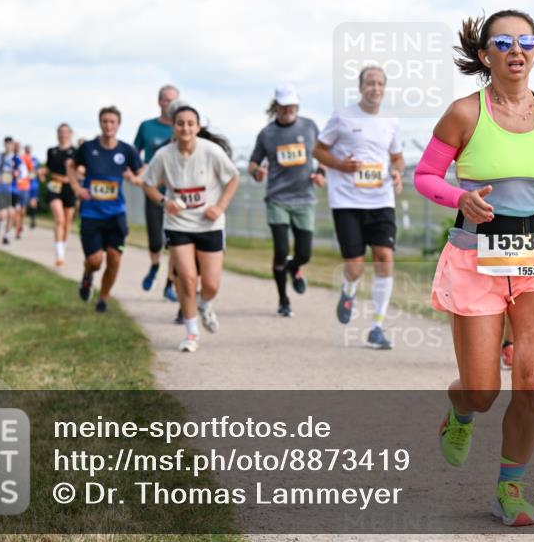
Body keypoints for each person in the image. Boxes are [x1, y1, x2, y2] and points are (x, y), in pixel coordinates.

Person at [413, 9, 534, 526]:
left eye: (527, 42)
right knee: (483, 389)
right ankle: (461, 409)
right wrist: (460, 197)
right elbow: (426, 176)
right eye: (504, 42)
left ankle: (510, 488)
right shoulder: (463, 114)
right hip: (476, 257)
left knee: (532, 379)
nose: (517, 50)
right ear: (484, 54)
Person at [314, 65, 404, 350]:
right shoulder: (342, 117)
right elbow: (318, 150)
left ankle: (377, 327)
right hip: (347, 201)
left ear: (384, 88)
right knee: (355, 267)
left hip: (381, 199)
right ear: (360, 87)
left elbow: (397, 158)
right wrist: (341, 165)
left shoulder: (391, 121)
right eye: (370, 83)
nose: (375, 88)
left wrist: (397, 172)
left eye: (379, 83)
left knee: (384, 258)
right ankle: (349, 288)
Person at [142, 99, 239, 351]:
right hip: (178, 224)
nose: (185, 128)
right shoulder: (164, 155)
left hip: (209, 224)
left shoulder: (211, 151)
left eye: (190, 124)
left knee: (211, 285)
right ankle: (192, 333)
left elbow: (233, 179)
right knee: (186, 278)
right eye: (180, 123)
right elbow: (148, 184)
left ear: (197, 127)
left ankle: (204, 304)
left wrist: (219, 207)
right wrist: (165, 202)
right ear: (173, 127)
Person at [248, 84, 325, 317]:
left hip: (304, 199)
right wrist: (257, 172)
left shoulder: (309, 126)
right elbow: (253, 163)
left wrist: (320, 172)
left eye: (292, 106)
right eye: (283, 106)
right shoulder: (267, 134)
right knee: (280, 250)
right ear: (276, 107)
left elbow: (322, 154)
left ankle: (294, 268)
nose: (288, 110)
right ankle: (283, 300)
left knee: (305, 254)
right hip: (278, 199)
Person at [67, 106, 144, 313]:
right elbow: (71, 166)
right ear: (100, 123)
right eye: (105, 121)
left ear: (118, 125)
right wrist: (77, 189)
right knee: (95, 261)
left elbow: (142, 171)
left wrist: (134, 178)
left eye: (112, 122)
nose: (108, 125)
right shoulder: (88, 148)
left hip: (116, 214)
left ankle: (103, 298)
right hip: (91, 213)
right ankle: (87, 275)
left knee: (114, 258)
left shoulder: (126, 150)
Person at [135, 84, 181, 302]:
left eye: (173, 99)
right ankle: (154, 266)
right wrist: (138, 172)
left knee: (175, 242)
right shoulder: (147, 127)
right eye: (165, 99)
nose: (169, 103)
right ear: (159, 101)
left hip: (177, 193)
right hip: (153, 191)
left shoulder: (182, 127)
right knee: (156, 241)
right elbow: (135, 155)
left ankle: (169, 284)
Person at [42, 124, 78, 267]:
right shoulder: (52, 151)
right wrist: (42, 172)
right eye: (60, 132)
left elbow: (81, 168)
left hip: (70, 186)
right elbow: (48, 167)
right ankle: (59, 254)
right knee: (59, 219)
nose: (63, 135)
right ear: (57, 134)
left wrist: (79, 171)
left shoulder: (76, 151)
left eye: (65, 132)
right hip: (55, 185)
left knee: (67, 222)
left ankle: (63, 245)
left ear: (70, 134)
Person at [23, 145, 41, 229]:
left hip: (33, 184)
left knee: (32, 202)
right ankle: (23, 220)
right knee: (24, 203)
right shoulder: (21, 159)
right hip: (24, 183)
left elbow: (38, 171)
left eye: (29, 150)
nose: (28, 152)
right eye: (27, 150)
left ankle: (33, 220)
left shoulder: (35, 160)